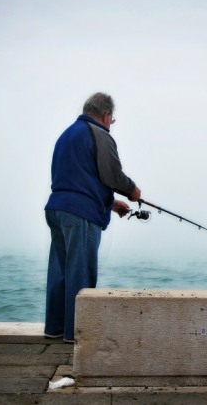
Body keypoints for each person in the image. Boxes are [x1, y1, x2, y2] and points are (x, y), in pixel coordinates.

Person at [43, 92, 140, 343]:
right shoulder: (99, 133)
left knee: (61, 271)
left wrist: (110, 203)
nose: (111, 124)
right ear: (106, 115)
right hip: (79, 215)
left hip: (57, 209)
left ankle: (55, 328)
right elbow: (112, 174)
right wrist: (132, 191)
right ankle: (76, 334)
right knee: (80, 273)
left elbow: (79, 179)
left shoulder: (67, 135)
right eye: (112, 120)